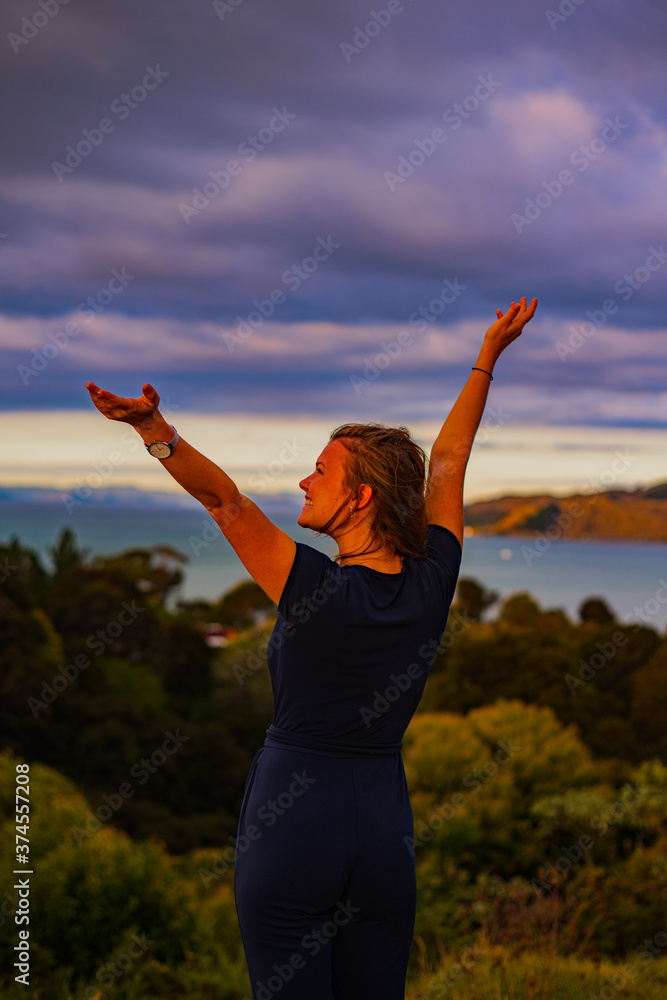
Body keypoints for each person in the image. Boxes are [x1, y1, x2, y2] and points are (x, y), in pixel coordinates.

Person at [85, 295, 537, 999]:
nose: (303, 479)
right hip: (385, 833)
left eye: (320, 471)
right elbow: (449, 457)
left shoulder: (313, 588)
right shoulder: (433, 579)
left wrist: (155, 431)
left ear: (357, 501)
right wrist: (487, 357)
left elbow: (226, 505)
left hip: (294, 825)